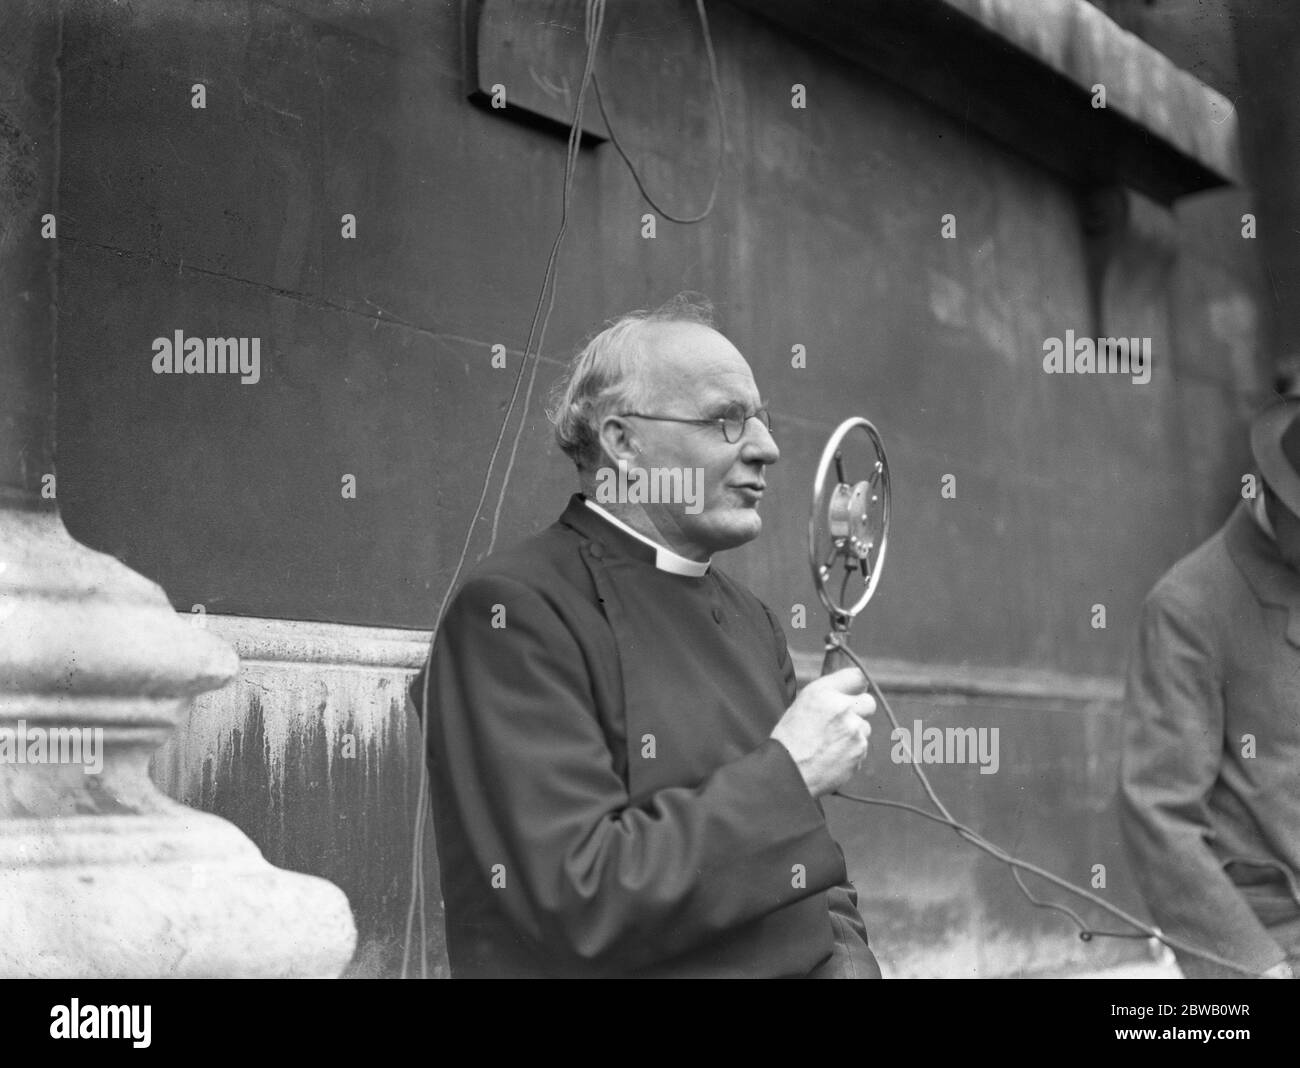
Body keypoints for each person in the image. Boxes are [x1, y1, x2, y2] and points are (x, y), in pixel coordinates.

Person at [410, 295, 882, 978]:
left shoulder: (753, 620)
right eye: (727, 420)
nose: (767, 448)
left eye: (760, 419)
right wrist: (789, 771)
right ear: (623, 443)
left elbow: (820, 878)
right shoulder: (513, 614)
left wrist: (853, 967)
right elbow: (572, 902)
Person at [1120, 394, 1300, 979]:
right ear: (1274, 497)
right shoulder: (1188, 608)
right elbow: (1157, 813)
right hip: (1271, 942)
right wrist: (1254, 964)